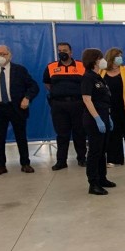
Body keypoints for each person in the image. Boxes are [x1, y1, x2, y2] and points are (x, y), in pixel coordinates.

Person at [0, 45, 40, 176]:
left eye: (3, 54)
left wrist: (27, 98)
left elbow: (33, 86)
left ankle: (25, 163)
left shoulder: (19, 70)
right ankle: (0, 166)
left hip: (16, 108)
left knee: (21, 136)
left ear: (10, 55)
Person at [44, 42, 86, 170]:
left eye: (65, 50)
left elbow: (87, 83)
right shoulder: (51, 67)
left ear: (71, 52)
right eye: (60, 50)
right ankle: (61, 161)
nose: (63, 52)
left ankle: (82, 159)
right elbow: (47, 84)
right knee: (62, 134)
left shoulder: (81, 65)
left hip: (78, 104)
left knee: (80, 133)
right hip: (59, 105)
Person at [80, 49, 116, 196]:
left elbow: (103, 99)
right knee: (94, 152)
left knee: (102, 151)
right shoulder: (88, 77)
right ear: (94, 60)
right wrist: (97, 119)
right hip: (94, 119)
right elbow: (87, 99)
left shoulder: (98, 77)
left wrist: (108, 117)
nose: (103, 60)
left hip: (104, 116)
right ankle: (93, 183)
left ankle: (102, 178)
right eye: (101, 58)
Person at [101, 47, 125, 165]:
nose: (120, 58)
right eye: (118, 56)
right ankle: (114, 159)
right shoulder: (102, 71)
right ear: (111, 58)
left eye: (120, 56)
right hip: (109, 108)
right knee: (113, 133)